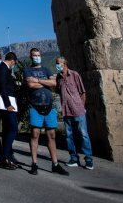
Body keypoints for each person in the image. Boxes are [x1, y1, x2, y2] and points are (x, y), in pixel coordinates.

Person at [25, 48, 70, 176]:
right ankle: (34, 163)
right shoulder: (27, 70)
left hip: (49, 106)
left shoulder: (46, 69)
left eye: (38, 55)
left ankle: (55, 164)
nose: (37, 57)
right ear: (30, 56)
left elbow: (54, 83)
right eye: (34, 55)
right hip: (35, 106)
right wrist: (46, 83)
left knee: (52, 135)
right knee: (35, 134)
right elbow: (30, 85)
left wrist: (38, 81)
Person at [55, 56, 94, 170]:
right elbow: (59, 92)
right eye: (56, 63)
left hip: (78, 110)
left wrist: (82, 106)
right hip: (66, 111)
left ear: (64, 64)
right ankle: (73, 158)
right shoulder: (58, 77)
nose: (57, 65)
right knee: (69, 136)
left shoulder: (74, 75)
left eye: (58, 63)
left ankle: (89, 160)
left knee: (83, 135)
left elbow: (82, 92)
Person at [0, 51, 19, 170]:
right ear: (12, 61)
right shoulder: (3, 68)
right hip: (7, 103)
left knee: (7, 129)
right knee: (13, 128)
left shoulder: (4, 69)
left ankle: (7, 155)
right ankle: (5, 156)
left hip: (7, 102)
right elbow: (2, 87)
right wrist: (8, 104)